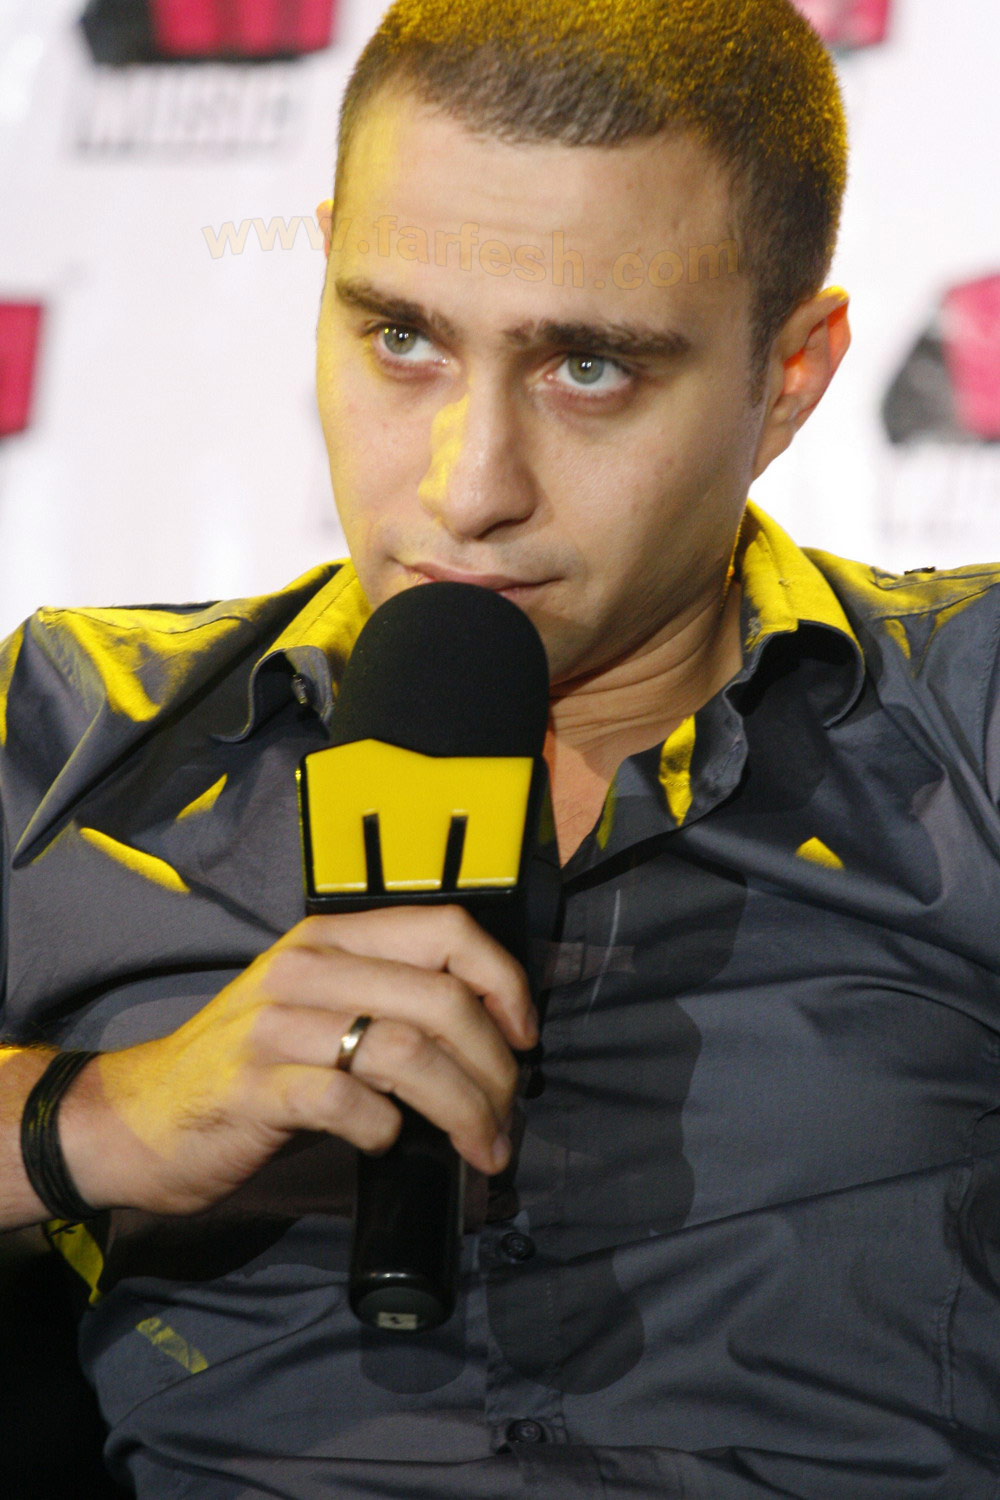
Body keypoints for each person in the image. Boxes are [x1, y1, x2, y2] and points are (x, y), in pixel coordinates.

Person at [2, 0, 999, 1495]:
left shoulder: (970, 711)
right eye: (401, 338)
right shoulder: (71, 725)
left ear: (789, 375)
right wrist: (104, 1116)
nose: (468, 489)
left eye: (587, 369)